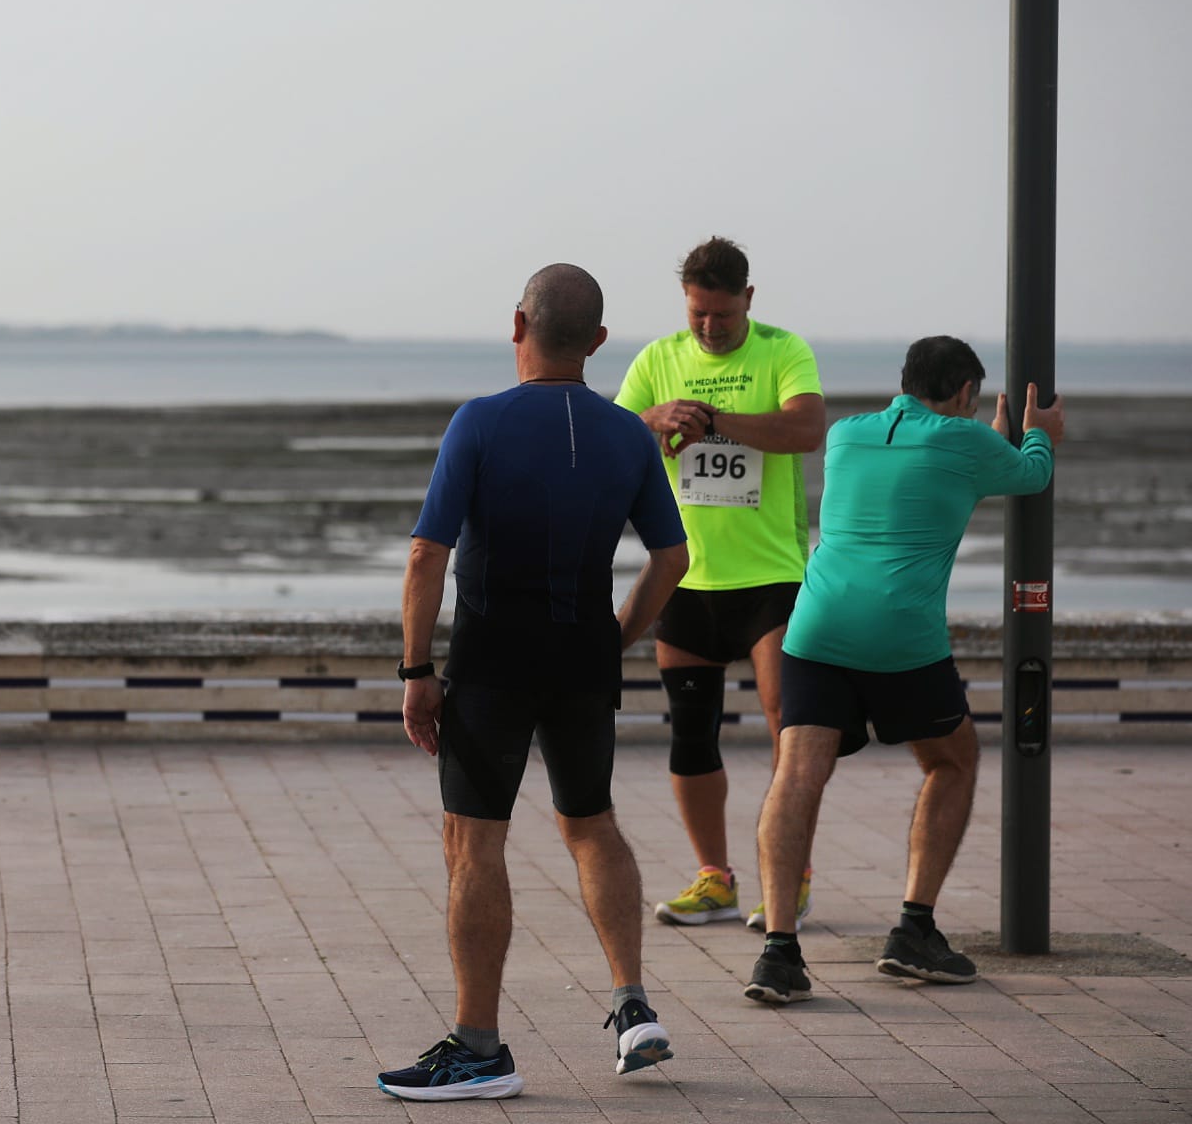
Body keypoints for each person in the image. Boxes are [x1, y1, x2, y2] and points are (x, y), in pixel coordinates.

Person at [377, 264, 690, 1102]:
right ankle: (632, 1008)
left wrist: (415, 671)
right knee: (591, 826)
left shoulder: (479, 423)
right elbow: (672, 558)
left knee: (474, 844)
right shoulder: (628, 433)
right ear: (595, 341)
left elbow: (425, 554)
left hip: (492, 663)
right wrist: (614, 638)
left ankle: (479, 1048)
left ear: (516, 324)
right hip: (581, 657)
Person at [744, 337, 1061, 1004]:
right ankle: (913, 930)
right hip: (899, 636)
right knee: (951, 761)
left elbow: (929, 467)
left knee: (795, 773)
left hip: (814, 627)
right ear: (967, 396)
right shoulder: (963, 442)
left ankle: (777, 951)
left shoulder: (846, 434)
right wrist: (1038, 435)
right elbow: (1028, 474)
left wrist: (987, 441)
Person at [614, 236, 825, 930]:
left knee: (785, 732)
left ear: (748, 301)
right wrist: (654, 418)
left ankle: (786, 877)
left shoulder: (780, 349)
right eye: (697, 315)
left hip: (771, 578)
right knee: (691, 733)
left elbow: (806, 430)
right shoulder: (657, 359)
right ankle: (714, 879)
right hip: (685, 578)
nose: (708, 328)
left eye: (722, 316)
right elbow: (617, 438)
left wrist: (713, 422)